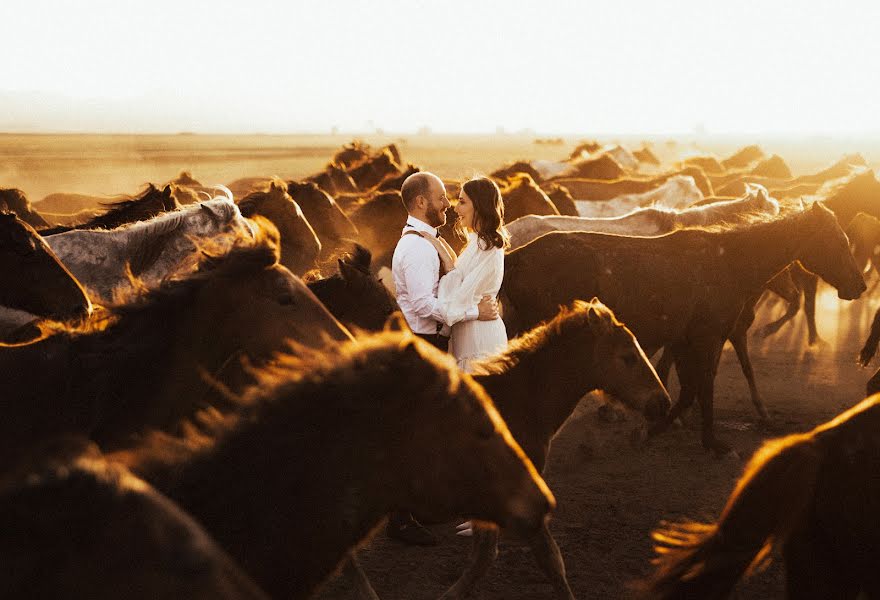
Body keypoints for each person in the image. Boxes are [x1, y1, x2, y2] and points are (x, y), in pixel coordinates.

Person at [386, 171, 498, 546]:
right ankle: (400, 519)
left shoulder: (430, 242)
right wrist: (473, 314)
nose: (446, 204)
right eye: (440, 198)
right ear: (421, 202)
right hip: (423, 343)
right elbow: (422, 304)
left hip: (437, 342)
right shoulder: (418, 247)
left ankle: (420, 507)